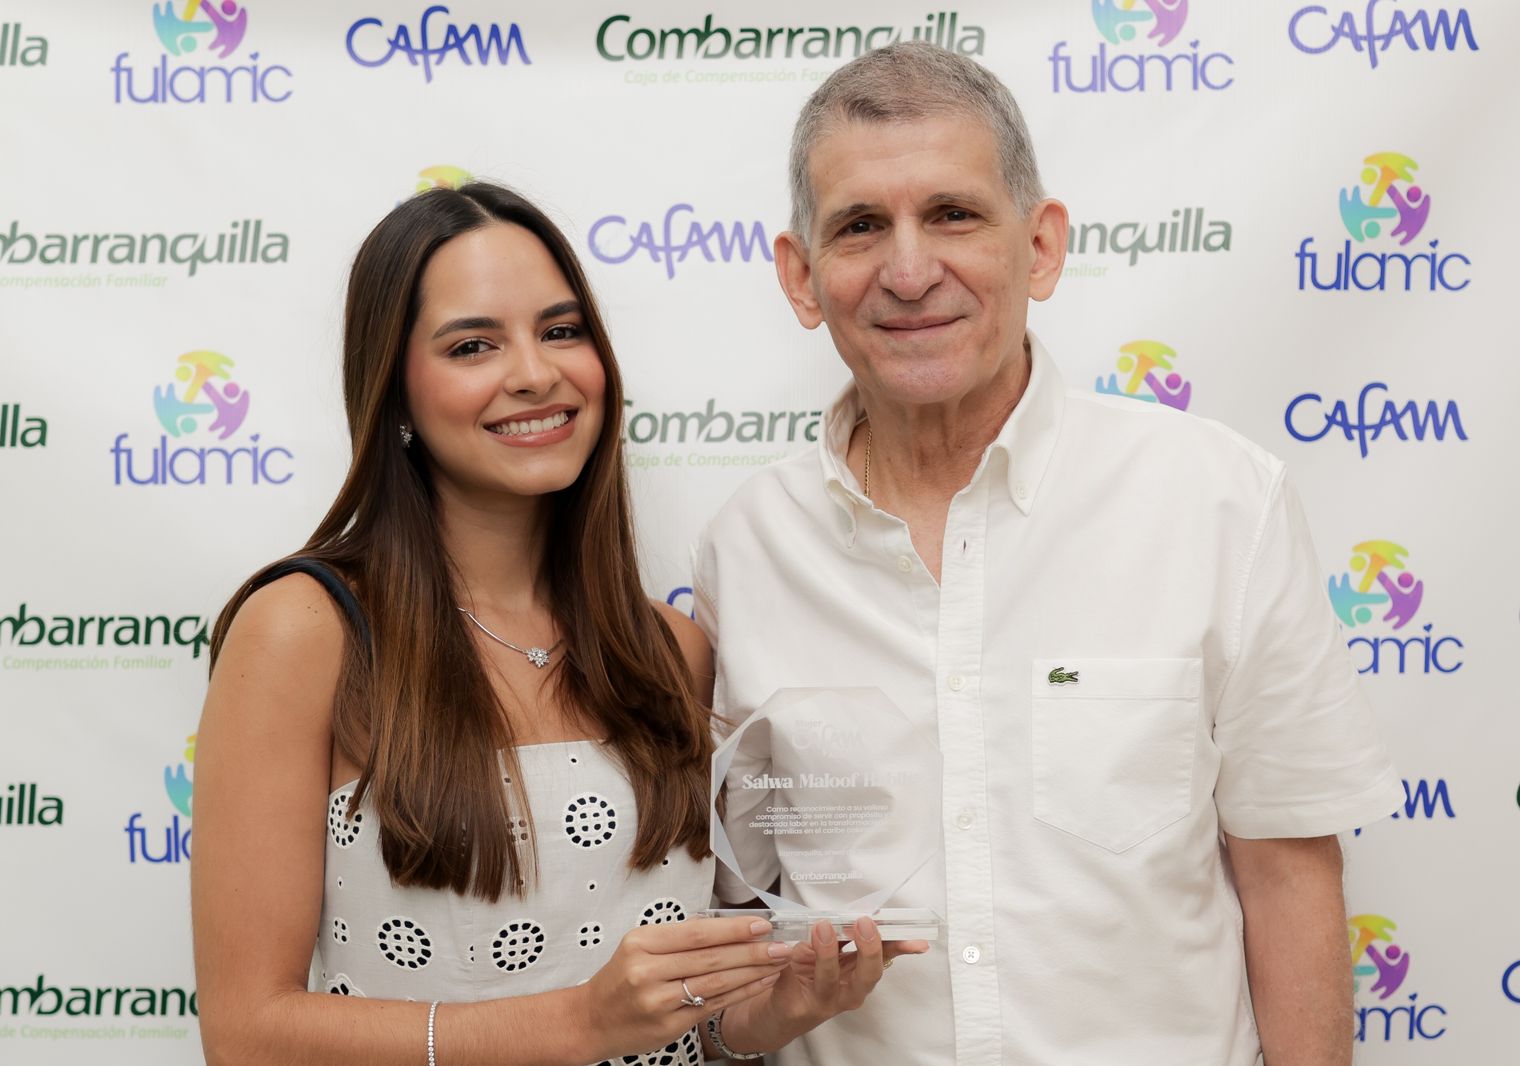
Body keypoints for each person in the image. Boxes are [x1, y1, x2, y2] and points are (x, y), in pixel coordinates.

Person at [695, 43, 1401, 1066]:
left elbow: (1287, 875)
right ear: (802, 278)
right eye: (860, 226)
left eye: (953, 214)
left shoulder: (1217, 501)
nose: (908, 271)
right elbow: (740, 907)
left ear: (1041, 246)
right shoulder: (747, 546)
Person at [191, 183, 915, 1066]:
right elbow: (248, 1036)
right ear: (395, 391)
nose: (535, 373)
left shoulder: (669, 651)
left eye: (562, 331)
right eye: (472, 345)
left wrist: (761, 1017)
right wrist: (579, 1023)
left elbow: (670, 1029)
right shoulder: (306, 632)